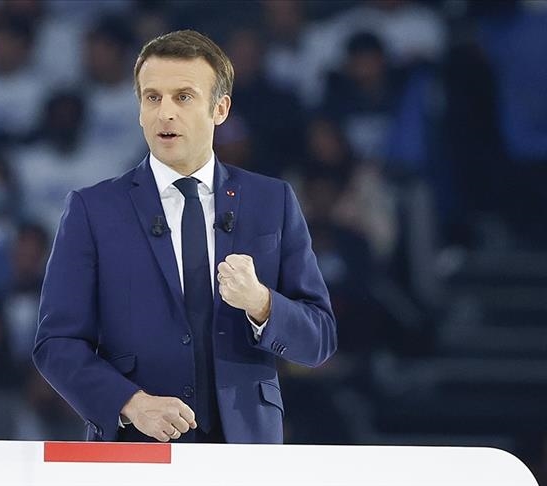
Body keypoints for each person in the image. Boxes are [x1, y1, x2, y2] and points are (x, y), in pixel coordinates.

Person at [32, 30, 336, 444]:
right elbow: (56, 344)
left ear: (220, 109)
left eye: (183, 97)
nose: (165, 113)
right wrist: (131, 403)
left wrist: (262, 304)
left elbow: (319, 339)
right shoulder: (93, 210)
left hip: (245, 449)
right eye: (152, 97)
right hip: (137, 447)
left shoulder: (272, 201)